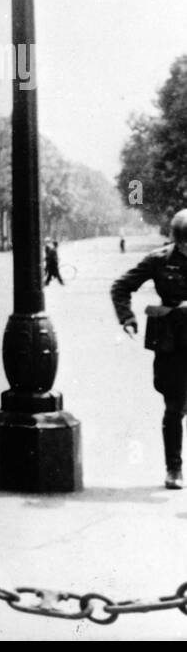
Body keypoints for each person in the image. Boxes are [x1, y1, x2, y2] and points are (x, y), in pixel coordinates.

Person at [111, 209, 187, 489]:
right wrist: (127, 318)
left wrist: (179, 307)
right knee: (174, 406)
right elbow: (121, 286)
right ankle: (174, 469)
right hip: (171, 342)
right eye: (185, 243)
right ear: (176, 241)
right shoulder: (159, 260)